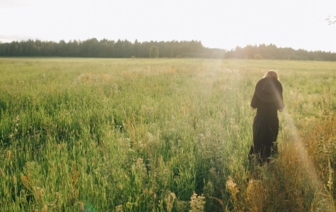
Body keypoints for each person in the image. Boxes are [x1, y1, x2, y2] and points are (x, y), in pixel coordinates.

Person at [249, 70, 285, 164]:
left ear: (265, 78)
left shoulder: (259, 90)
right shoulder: (276, 91)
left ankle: (256, 164)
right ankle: (269, 164)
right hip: (272, 121)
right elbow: (281, 109)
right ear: (276, 81)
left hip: (260, 121)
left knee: (258, 142)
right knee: (271, 142)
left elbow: (252, 107)